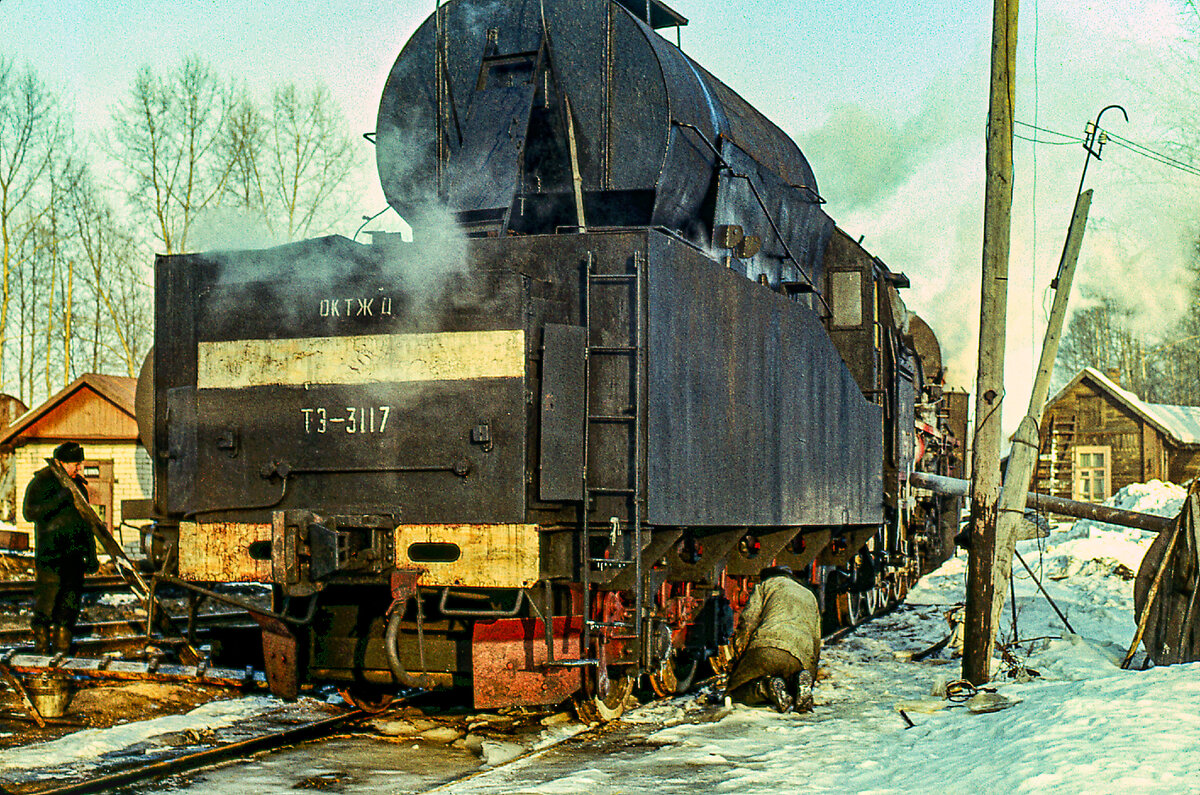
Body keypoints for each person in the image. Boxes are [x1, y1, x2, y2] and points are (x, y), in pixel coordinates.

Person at [23, 442, 98, 654]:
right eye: (75, 464)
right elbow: (30, 513)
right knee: (46, 604)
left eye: (80, 464)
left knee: (69, 606)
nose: (79, 468)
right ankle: (41, 651)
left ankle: (62, 652)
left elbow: (87, 523)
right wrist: (58, 499)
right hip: (51, 556)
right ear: (61, 462)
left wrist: (91, 555)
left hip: (74, 557)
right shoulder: (42, 483)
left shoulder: (79, 487)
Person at [725, 565, 821, 713]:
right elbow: (816, 641)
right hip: (800, 658)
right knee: (788, 684)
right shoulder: (809, 594)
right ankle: (798, 685)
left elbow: (748, 621)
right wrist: (810, 677)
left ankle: (766, 687)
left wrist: (739, 656)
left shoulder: (764, 586)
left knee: (736, 692)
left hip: (767, 647)